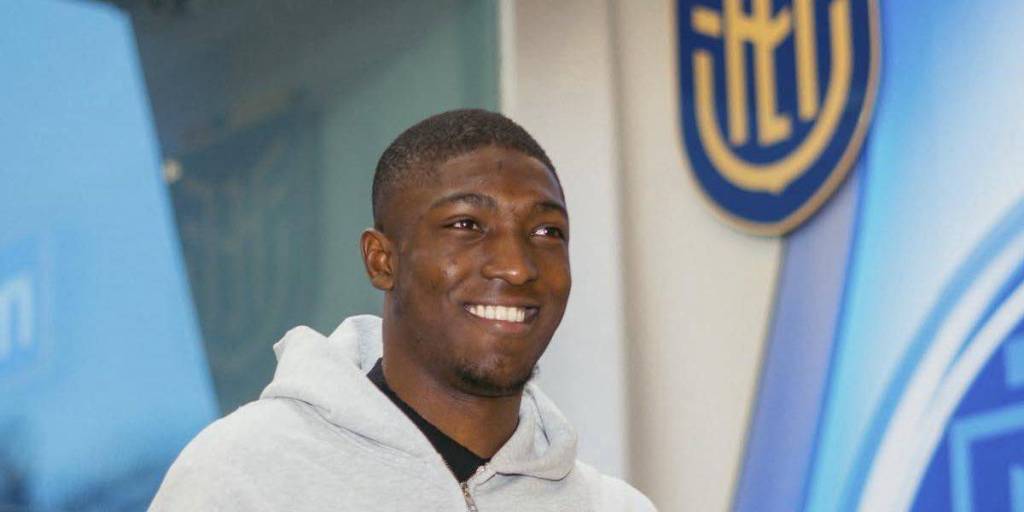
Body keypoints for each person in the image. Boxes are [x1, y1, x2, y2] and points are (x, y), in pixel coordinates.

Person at [150, 109, 656, 511]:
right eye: (466, 225)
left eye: (547, 231)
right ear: (382, 260)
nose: (516, 266)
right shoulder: (246, 477)